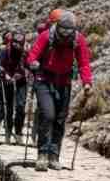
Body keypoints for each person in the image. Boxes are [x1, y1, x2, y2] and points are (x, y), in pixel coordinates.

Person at [26, 11, 93, 171]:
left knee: (60, 120)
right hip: (44, 80)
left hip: (64, 82)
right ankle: (42, 154)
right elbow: (32, 55)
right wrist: (33, 63)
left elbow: (84, 63)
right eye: (61, 33)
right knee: (48, 115)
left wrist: (87, 83)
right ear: (57, 27)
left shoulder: (78, 40)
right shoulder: (45, 36)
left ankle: (54, 156)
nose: (64, 37)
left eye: (67, 34)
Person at [0, 31, 31, 146]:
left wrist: (25, 72)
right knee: (9, 108)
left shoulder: (25, 53)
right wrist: (5, 74)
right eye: (15, 43)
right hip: (8, 81)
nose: (17, 46)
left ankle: (18, 132)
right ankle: (8, 132)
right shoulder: (5, 51)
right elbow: (0, 65)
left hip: (21, 81)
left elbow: (29, 65)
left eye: (19, 44)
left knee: (20, 107)